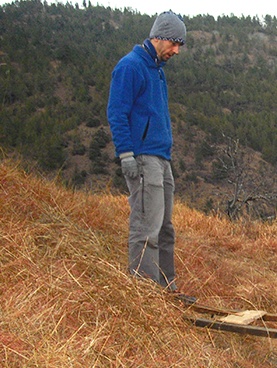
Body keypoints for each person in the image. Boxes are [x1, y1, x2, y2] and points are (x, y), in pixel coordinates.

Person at [107, 11, 186, 294]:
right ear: (160, 35)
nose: (176, 51)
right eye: (175, 43)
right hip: (143, 159)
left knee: (165, 229)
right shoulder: (130, 67)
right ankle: (145, 294)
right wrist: (126, 154)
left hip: (162, 159)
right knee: (146, 228)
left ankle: (167, 288)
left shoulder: (157, 70)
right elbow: (117, 112)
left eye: (180, 45)